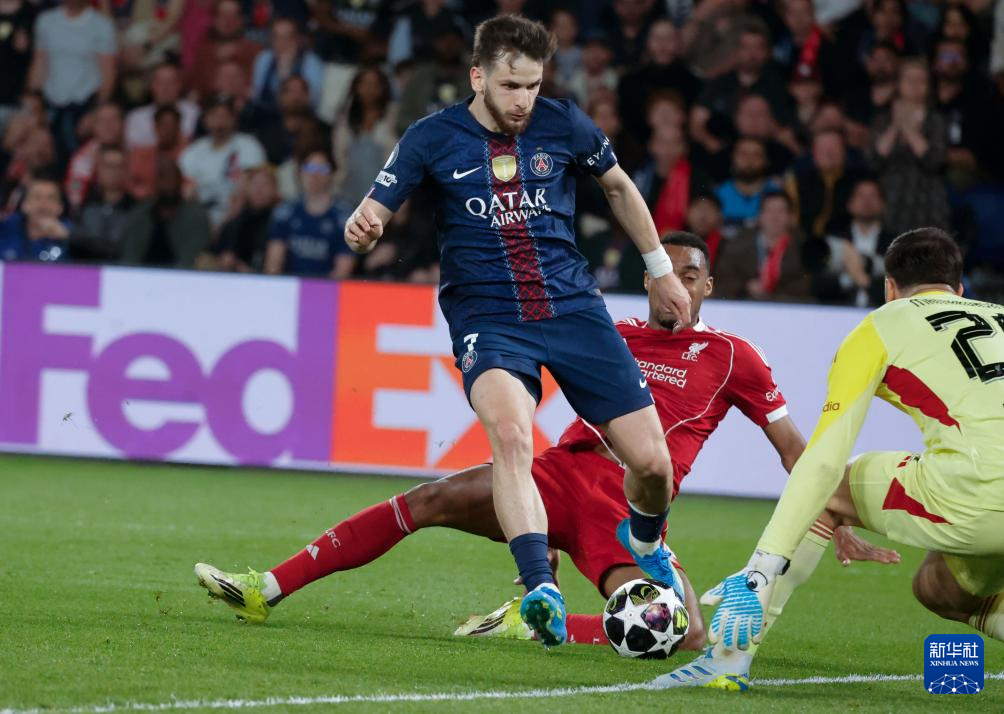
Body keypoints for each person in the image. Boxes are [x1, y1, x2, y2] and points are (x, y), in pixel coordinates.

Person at [193, 234, 896, 641]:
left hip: (622, 508)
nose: (677, 287)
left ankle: (527, 623)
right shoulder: (610, 333)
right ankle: (266, 588)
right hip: (556, 473)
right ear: (649, 281)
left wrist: (832, 517)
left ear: (707, 285)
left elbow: (796, 452)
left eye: (690, 276)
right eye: (667, 274)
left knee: (686, 632)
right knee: (427, 499)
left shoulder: (734, 356)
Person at [342, 15, 692, 647]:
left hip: (573, 310)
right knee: (510, 436)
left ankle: (646, 542)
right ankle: (539, 588)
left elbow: (617, 186)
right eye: (511, 86)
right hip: (489, 317)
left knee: (651, 464)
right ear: (478, 77)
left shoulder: (564, 123)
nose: (524, 100)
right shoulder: (432, 137)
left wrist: (661, 269)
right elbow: (373, 210)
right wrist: (363, 227)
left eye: (533, 85)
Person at [659, 227, 1004, 691]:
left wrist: (763, 565)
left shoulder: (881, 325)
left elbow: (823, 460)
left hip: (980, 492)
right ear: (960, 290)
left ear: (889, 289)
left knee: (830, 487)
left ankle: (726, 658)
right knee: (939, 587)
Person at [28, 0, 116, 156]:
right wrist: (33, 100)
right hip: (51, 106)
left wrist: (95, 112)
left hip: (84, 106)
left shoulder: (101, 25)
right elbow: (39, 64)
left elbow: (108, 73)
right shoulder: (45, 21)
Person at [178, 95, 266, 229]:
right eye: (214, 115)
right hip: (199, 215)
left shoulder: (249, 145)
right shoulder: (193, 151)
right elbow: (186, 189)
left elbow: (249, 190)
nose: (220, 120)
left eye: (226, 115)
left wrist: (225, 227)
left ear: (234, 119)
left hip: (239, 217)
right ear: (205, 119)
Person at [264, 150, 355, 279]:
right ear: (300, 173)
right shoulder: (285, 211)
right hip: (289, 286)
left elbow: (342, 271)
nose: (315, 175)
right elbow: (273, 265)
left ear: (332, 174)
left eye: (322, 169)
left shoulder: (345, 216)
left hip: (329, 288)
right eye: (310, 168)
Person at [713, 190, 811, 301]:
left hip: (788, 307)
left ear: (791, 217)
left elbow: (807, 283)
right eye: (769, 211)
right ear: (760, 216)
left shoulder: (804, 247)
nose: (775, 217)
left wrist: (772, 294)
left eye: (781, 211)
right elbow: (723, 276)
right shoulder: (738, 244)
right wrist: (746, 287)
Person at [120, 157, 211, 268]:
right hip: (139, 276)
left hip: (180, 277)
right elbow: (129, 259)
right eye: (163, 176)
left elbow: (190, 261)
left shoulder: (196, 217)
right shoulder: (139, 215)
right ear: (154, 181)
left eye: (172, 177)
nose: (168, 182)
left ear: (180, 181)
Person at [69, 144, 133, 261]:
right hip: (87, 269)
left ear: (127, 171)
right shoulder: (84, 206)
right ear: (98, 169)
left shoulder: (136, 209)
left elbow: (122, 248)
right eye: (109, 166)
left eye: (119, 166)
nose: (114, 172)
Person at [123, 62, 200, 150]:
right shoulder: (136, 117)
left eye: (170, 82)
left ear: (179, 85)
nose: (165, 87)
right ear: (152, 85)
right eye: (160, 82)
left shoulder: (194, 113)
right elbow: (133, 148)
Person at [0, 173, 69, 261]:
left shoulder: (70, 234)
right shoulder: (6, 227)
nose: (43, 204)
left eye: (51, 198)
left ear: (60, 207)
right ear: (24, 205)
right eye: (36, 197)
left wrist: (68, 237)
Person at [128, 105, 188, 201]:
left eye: (172, 125)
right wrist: (138, 190)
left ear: (178, 127)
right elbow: (129, 180)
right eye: (163, 124)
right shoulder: (141, 154)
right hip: (146, 203)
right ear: (155, 127)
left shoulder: (189, 154)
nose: (168, 130)